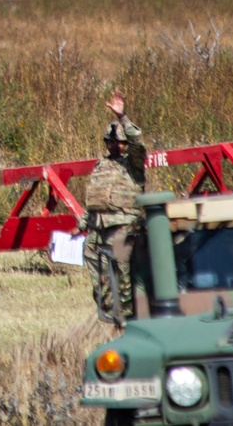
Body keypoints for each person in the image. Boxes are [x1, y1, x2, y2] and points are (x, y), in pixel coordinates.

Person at [73, 89, 146, 323]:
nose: (115, 146)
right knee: (99, 278)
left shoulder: (133, 164)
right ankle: (107, 315)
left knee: (122, 277)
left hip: (122, 226)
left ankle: (127, 321)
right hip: (97, 227)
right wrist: (82, 225)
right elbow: (94, 199)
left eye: (120, 143)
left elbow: (137, 141)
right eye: (110, 142)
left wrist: (122, 116)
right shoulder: (100, 165)